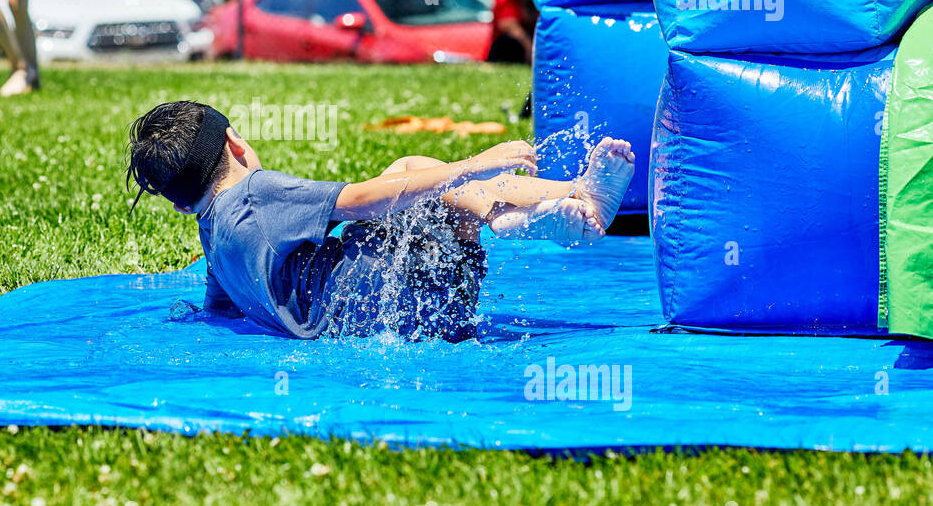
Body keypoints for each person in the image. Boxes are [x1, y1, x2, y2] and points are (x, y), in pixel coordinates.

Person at [126, 101, 634, 342]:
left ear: (180, 202)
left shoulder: (212, 233)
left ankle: (534, 220)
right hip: (405, 296)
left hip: (377, 321)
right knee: (426, 177)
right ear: (236, 143)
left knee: (412, 184)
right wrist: (473, 163)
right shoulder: (256, 194)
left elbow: (223, 309)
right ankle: (568, 198)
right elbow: (363, 199)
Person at [488, 0, 538, 65]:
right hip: (507, 52)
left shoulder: (536, 0)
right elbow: (509, 26)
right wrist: (530, 50)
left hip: (531, 49)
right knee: (508, 43)